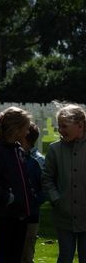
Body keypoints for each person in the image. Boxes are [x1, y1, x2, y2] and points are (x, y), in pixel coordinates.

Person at [0, 106, 33, 263]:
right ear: (15, 129)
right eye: (25, 128)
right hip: (5, 214)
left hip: (20, 213)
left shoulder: (17, 150)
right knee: (2, 255)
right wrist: (8, 197)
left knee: (15, 255)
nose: (27, 133)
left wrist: (30, 197)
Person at [42, 104, 86, 263]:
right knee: (65, 256)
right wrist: (56, 199)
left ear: (80, 125)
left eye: (64, 126)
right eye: (59, 126)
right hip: (64, 215)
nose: (60, 129)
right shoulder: (55, 150)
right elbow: (47, 178)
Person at [20, 122, 46, 263]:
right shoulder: (14, 156)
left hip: (31, 214)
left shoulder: (39, 161)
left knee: (27, 252)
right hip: (14, 213)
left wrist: (32, 202)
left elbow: (45, 188)